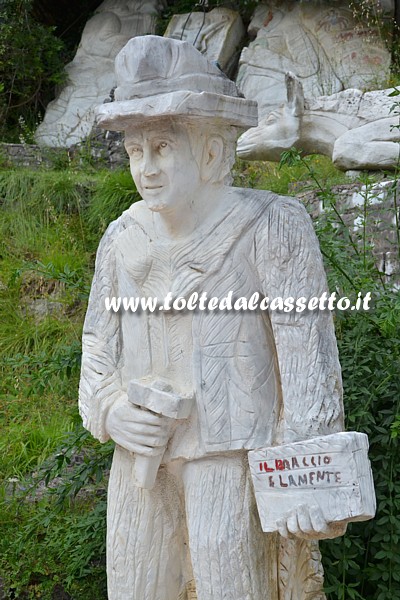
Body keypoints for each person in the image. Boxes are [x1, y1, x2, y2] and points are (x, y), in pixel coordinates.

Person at [79, 35, 345, 600]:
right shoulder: (122, 238)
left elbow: (306, 357)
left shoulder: (272, 225)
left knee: (233, 583)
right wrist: (110, 412)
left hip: (232, 458)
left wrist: (307, 476)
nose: (145, 168)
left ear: (210, 151)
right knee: (135, 585)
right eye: (134, 151)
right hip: (140, 463)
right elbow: (97, 350)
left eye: (162, 148)